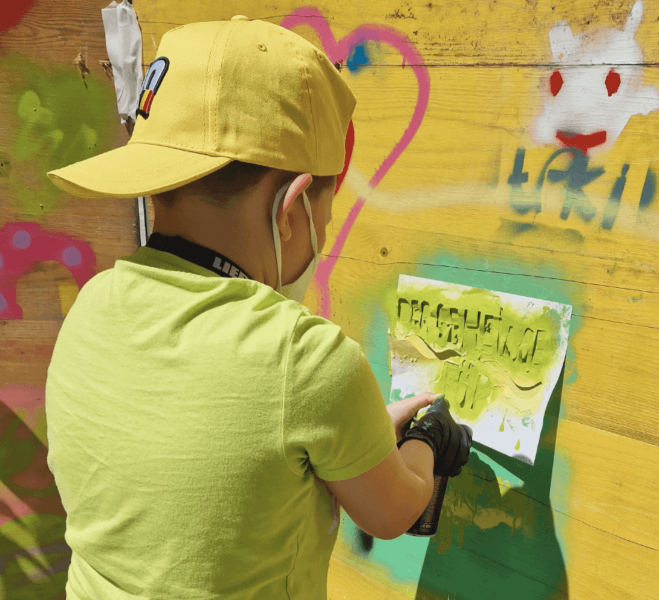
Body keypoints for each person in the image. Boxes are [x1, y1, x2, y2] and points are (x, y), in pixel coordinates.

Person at [44, 15, 472, 600]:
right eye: (324, 218)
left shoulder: (91, 308)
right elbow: (390, 512)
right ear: (290, 209)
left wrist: (362, 436)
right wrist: (425, 442)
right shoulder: (306, 358)